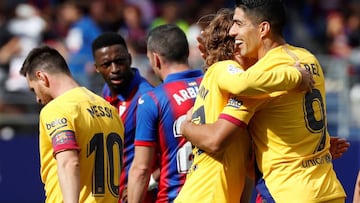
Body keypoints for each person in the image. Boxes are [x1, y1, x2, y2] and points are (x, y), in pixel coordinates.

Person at [178, 1, 347, 202]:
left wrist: (186, 128)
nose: (233, 31)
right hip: (328, 189)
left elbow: (216, 139)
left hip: (287, 192)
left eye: (239, 24)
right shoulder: (308, 59)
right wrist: (322, 146)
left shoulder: (259, 78)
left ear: (263, 28)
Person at [19, 45, 124, 202]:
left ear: (42, 77)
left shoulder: (57, 109)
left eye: (34, 89)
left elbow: (69, 162)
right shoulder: (109, 109)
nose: (38, 99)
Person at [127, 24, 203, 203]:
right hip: (215, 194)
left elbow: (141, 170)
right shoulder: (214, 86)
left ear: (155, 59)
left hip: (174, 197)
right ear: (186, 52)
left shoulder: (152, 99)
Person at [91, 32, 155, 203]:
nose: (115, 69)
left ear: (129, 58)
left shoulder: (146, 98)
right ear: (96, 67)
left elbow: (170, 149)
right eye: (106, 64)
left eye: (119, 61)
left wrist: (149, 181)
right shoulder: (106, 91)